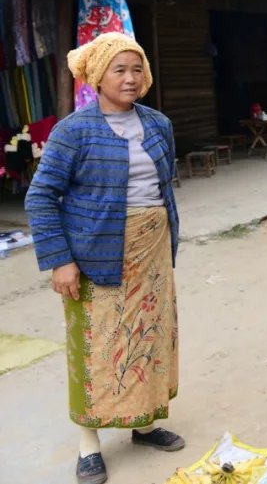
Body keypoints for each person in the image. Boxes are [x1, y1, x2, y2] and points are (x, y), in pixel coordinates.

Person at [26, 32, 183, 484]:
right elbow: (41, 197)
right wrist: (60, 260)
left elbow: (163, 184)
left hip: (151, 250)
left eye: (137, 69)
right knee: (96, 345)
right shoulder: (73, 131)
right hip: (94, 251)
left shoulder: (157, 124)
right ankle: (88, 444)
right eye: (120, 69)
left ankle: (145, 423)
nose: (131, 78)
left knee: (148, 336)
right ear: (98, 76)